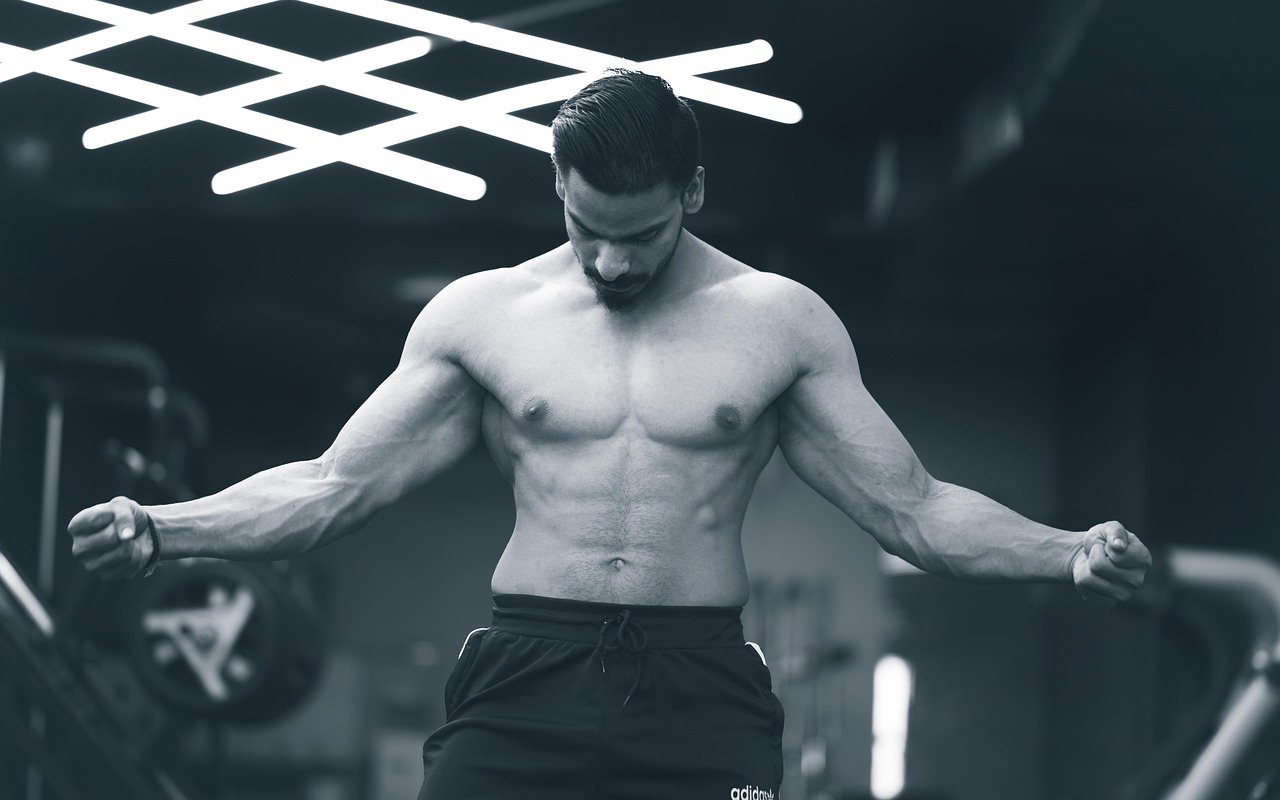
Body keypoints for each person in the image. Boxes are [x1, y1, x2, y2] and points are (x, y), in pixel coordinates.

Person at [67, 70, 1151, 798]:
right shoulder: (481, 316)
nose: (613, 262)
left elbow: (913, 509)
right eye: (587, 228)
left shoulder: (776, 323)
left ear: (691, 189)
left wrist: (1066, 550)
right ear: (556, 185)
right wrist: (164, 524)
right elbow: (329, 485)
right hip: (523, 675)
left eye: (639, 234)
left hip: (698, 682)